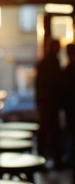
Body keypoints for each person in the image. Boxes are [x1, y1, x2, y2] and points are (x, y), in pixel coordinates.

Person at [35, 39, 62, 168]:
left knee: (45, 131)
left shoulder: (44, 63)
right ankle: (54, 159)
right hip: (51, 103)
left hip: (46, 103)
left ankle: (41, 159)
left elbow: (38, 85)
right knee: (52, 131)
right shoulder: (54, 63)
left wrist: (39, 102)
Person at [60, 43, 75, 184]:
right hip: (70, 108)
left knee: (71, 132)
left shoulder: (69, 69)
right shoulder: (68, 68)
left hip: (70, 108)